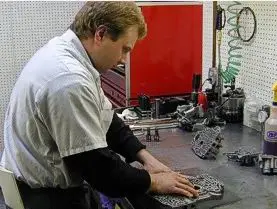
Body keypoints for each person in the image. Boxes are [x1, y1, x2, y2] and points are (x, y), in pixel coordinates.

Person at [0, 2, 198, 209]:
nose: (124, 59)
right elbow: (98, 169)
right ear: (100, 34)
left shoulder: (72, 57)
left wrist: (146, 158)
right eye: (124, 49)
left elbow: (106, 118)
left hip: (45, 188)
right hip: (46, 199)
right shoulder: (69, 79)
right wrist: (153, 181)